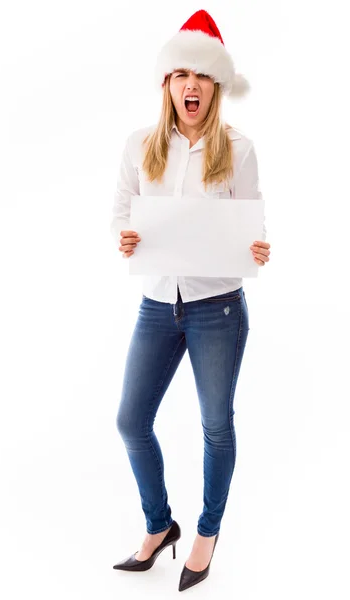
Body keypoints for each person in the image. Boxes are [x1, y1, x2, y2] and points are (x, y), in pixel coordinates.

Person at [110, 9, 271, 592]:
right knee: (131, 420)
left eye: (201, 75)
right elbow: (122, 212)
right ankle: (160, 526)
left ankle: (206, 533)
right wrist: (124, 235)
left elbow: (251, 231)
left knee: (215, 426)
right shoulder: (139, 146)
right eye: (181, 74)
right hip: (157, 303)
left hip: (217, 310)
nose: (191, 85)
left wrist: (256, 249)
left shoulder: (239, 149)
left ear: (216, 86)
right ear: (167, 85)